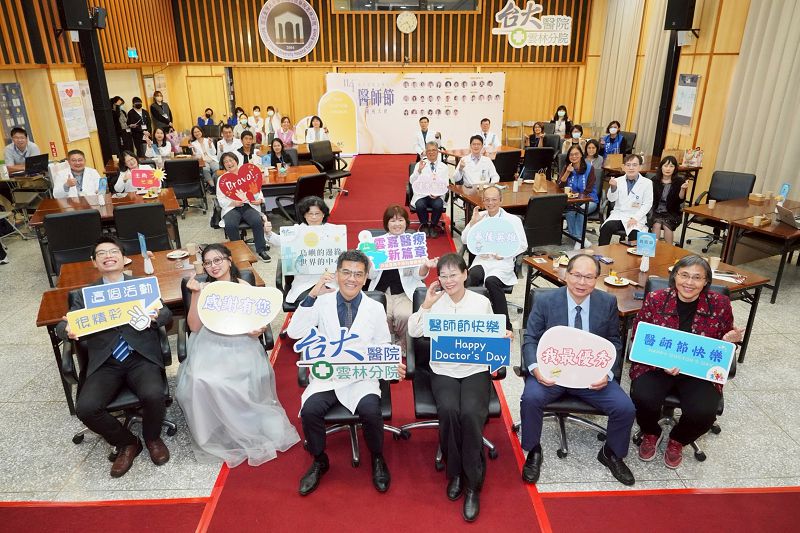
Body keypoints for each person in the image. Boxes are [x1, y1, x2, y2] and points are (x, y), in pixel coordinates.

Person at [287, 250, 406, 496]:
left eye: (358, 274)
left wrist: (391, 364)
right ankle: (319, 460)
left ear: (365, 278)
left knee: (371, 411)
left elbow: (383, 343)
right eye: (346, 272)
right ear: (337, 273)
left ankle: (377, 457)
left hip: (361, 376)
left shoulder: (375, 308)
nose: (352, 279)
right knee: (310, 411)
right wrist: (312, 294)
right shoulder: (322, 302)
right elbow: (294, 332)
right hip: (329, 375)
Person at [55, 236, 173, 478]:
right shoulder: (86, 295)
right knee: (86, 409)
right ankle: (128, 442)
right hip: (106, 360)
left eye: (113, 251)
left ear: (124, 258)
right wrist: (66, 330)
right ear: (94, 262)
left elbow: (166, 314)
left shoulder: (140, 286)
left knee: (154, 394)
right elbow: (62, 325)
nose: (108, 256)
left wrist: (155, 317)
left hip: (139, 355)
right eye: (101, 253)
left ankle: (152, 438)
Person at [407, 253, 510, 522]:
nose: (449, 280)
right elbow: (414, 331)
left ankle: (473, 483)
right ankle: (455, 473)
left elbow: (493, 335)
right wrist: (426, 305)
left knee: (471, 413)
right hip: (443, 369)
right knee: (450, 410)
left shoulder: (481, 302)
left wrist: (503, 337)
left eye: (454, 274)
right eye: (443, 275)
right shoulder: (435, 303)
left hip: (475, 369)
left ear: (465, 274)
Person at [176, 244, 300, 467]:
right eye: (208, 263)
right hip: (209, 343)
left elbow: (256, 323)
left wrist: (258, 330)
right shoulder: (204, 289)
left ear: (229, 260)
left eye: (218, 260)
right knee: (200, 380)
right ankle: (215, 427)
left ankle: (243, 423)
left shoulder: (243, 286)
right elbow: (194, 327)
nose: (213, 266)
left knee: (235, 379)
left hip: (241, 343)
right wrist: (195, 294)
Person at [520, 254, 636, 486]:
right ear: (566, 275)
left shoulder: (607, 302)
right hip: (553, 373)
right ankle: (533, 451)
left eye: (589, 277)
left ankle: (611, 453)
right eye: (577, 275)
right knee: (531, 398)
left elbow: (614, 342)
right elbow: (530, 338)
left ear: (597, 279)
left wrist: (608, 374)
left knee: (625, 408)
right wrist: (535, 368)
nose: (582, 282)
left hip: (590, 375)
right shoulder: (546, 300)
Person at [630, 255, 744, 468]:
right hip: (658, 365)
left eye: (697, 277)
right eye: (684, 275)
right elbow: (639, 336)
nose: (689, 282)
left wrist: (730, 341)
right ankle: (651, 433)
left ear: (706, 281)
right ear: (674, 276)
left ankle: (678, 440)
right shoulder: (656, 299)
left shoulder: (720, 304)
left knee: (704, 412)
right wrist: (660, 362)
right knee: (642, 396)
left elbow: (724, 345)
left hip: (698, 370)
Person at [367, 205, 434, 350]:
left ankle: (404, 345)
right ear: (386, 224)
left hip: (405, 292)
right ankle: (386, 344)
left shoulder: (413, 242)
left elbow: (418, 274)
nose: (397, 224)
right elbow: (371, 275)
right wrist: (370, 261)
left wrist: (426, 266)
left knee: (405, 315)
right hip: (381, 291)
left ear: (406, 222)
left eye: (400, 220)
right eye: (392, 220)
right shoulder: (376, 244)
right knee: (381, 315)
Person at [460, 185, 527, 330]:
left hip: (502, 262)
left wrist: (505, 253)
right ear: (483, 201)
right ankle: (469, 320)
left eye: (494, 200)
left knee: (491, 281)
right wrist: (473, 223)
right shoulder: (480, 217)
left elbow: (523, 245)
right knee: (469, 278)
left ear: (501, 200)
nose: (490, 203)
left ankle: (505, 326)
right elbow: (464, 240)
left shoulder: (512, 220)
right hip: (482, 260)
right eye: (487, 200)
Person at [263, 196, 335, 304]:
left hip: (329, 280)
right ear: (304, 215)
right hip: (305, 281)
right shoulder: (297, 230)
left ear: (323, 214)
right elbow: (279, 241)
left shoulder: (333, 231)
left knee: (334, 300)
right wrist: (268, 232)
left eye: (317, 213)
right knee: (310, 302)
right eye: (310, 214)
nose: (314, 217)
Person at [216, 152, 270, 262]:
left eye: (231, 160)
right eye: (226, 162)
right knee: (230, 225)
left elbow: (257, 189)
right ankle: (239, 251)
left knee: (256, 221)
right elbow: (220, 199)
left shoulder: (246, 174)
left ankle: (261, 250)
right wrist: (233, 203)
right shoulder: (222, 180)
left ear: (236, 161)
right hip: (231, 208)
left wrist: (260, 200)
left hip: (248, 205)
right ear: (223, 165)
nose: (229, 163)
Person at [598, 154, 653, 245]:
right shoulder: (617, 180)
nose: (631, 168)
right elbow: (611, 199)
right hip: (619, 215)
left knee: (635, 236)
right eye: (628, 165)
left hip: (636, 216)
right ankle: (601, 252)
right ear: (623, 167)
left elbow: (647, 204)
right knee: (606, 228)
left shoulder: (647, 183)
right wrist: (613, 187)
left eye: (634, 165)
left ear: (640, 167)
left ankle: (631, 255)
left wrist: (635, 218)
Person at [557, 145, 597, 249]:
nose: (574, 156)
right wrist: (567, 172)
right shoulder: (567, 167)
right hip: (572, 200)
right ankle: (579, 238)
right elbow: (560, 185)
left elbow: (589, 189)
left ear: (581, 155)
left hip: (589, 200)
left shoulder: (589, 168)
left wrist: (578, 199)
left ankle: (579, 239)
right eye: (571, 155)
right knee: (570, 212)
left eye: (576, 154)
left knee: (581, 210)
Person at [409, 142, 449, 238]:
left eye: (434, 150)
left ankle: (433, 225)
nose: (431, 152)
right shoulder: (420, 164)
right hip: (422, 195)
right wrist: (419, 170)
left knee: (438, 204)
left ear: (438, 152)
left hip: (436, 195)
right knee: (420, 204)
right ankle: (425, 225)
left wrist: (438, 194)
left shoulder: (444, 167)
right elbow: (411, 181)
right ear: (426, 152)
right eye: (429, 150)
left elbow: (446, 184)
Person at [649, 155, 688, 245]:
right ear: (661, 167)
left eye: (671, 166)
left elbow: (680, 200)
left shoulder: (679, 181)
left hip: (672, 211)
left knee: (667, 226)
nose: (668, 169)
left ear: (675, 168)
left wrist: (682, 189)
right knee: (657, 224)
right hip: (655, 210)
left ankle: (669, 249)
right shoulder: (655, 180)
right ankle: (653, 248)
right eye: (666, 166)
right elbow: (649, 197)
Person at [190, 125, 219, 190]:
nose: (197, 133)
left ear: (201, 132)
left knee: (217, 169)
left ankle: (217, 185)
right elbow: (196, 156)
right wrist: (194, 151)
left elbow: (214, 153)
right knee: (205, 170)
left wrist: (210, 145)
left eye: (198, 131)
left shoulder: (208, 140)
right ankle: (213, 186)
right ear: (193, 134)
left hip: (211, 159)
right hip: (203, 160)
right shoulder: (193, 144)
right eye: (195, 132)